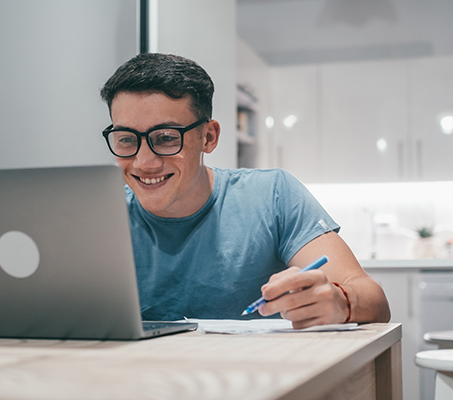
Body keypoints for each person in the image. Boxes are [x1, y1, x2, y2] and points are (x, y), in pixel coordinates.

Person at [100, 53, 390, 328]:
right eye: (126, 139)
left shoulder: (272, 195)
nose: (144, 162)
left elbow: (374, 300)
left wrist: (340, 302)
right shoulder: (101, 217)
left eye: (165, 138)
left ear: (209, 137)